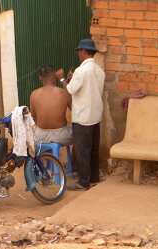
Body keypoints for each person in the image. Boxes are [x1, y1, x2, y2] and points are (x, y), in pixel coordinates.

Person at [57, 38, 105, 190]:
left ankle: (84, 182)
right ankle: (94, 178)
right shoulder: (98, 70)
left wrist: (63, 79)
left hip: (83, 117)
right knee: (93, 149)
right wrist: (72, 80)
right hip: (95, 115)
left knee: (83, 149)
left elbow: (70, 90)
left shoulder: (81, 70)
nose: (78, 54)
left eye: (79, 51)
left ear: (84, 52)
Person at [30, 65, 72, 146]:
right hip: (61, 136)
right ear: (54, 75)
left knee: (33, 131)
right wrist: (63, 80)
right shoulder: (63, 92)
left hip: (40, 137)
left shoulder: (34, 94)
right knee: (78, 132)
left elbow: (33, 118)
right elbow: (73, 107)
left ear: (40, 77)